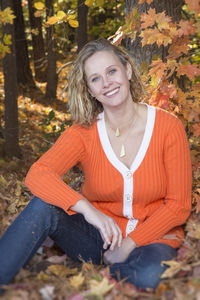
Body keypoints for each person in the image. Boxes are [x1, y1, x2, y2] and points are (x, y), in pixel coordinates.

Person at [0, 38, 192, 291]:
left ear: (128, 70)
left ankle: (102, 272)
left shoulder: (168, 127)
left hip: (153, 236)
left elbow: (178, 207)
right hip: (95, 237)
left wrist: (129, 243)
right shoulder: (83, 133)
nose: (107, 83)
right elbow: (38, 174)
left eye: (112, 71)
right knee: (42, 205)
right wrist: (89, 211)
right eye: (96, 79)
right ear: (90, 90)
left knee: (148, 277)